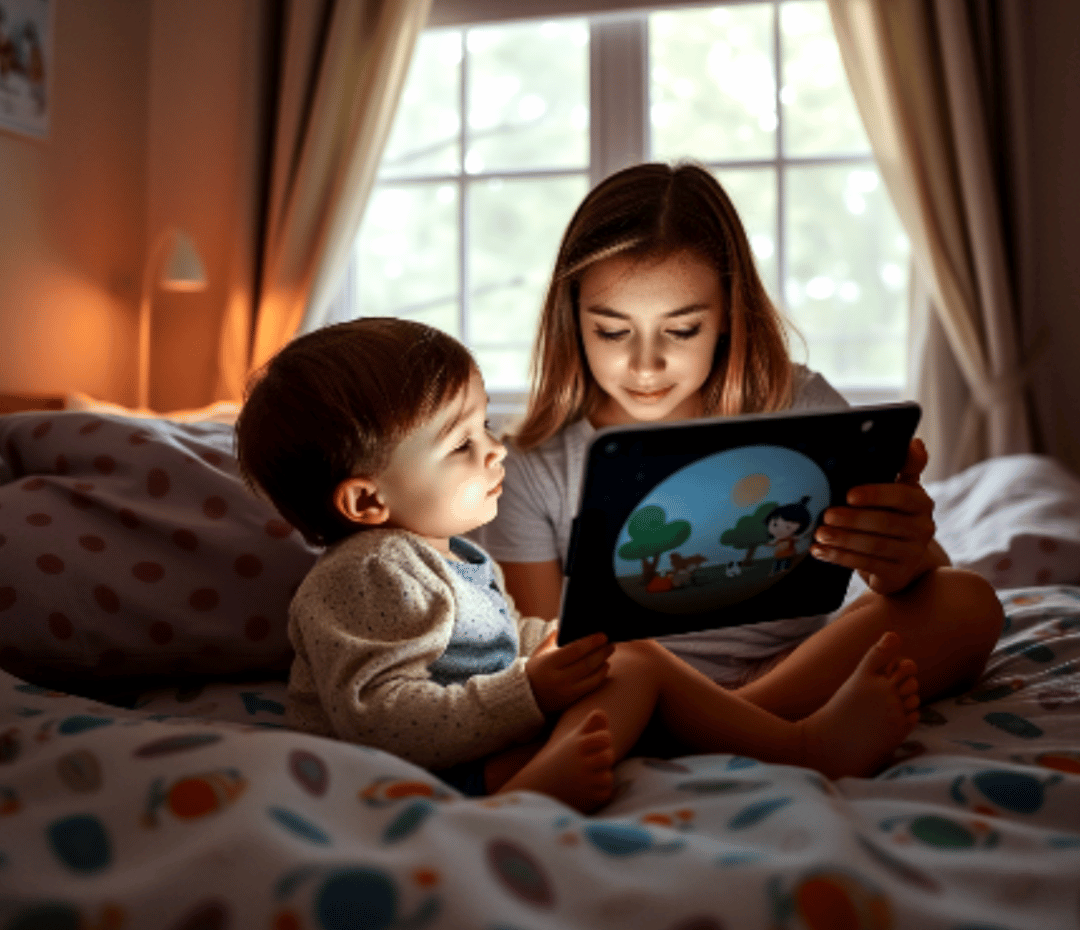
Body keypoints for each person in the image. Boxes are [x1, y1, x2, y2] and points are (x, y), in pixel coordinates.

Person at [235, 317, 922, 814]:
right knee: (637, 664)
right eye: (462, 444)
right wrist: (531, 690)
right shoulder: (368, 572)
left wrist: (556, 648)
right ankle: (798, 750)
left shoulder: (447, 556)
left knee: (624, 654)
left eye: (486, 427)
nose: (496, 450)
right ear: (366, 499)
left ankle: (785, 742)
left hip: (476, 750)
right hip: (418, 777)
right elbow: (382, 721)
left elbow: (490, 651)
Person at [477, 162, 1004, 723]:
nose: (646, 364)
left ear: (728, 312)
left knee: (966, 602)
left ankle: (725, 723)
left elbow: (918, 584)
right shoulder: (534, 463)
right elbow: (544, 658)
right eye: (612, 331)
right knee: (583, 665)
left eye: (682, 330)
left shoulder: (803, 407)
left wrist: (900, 554)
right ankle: (771, 732)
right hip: (628, 684)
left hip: (795, 667)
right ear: (572, 317)